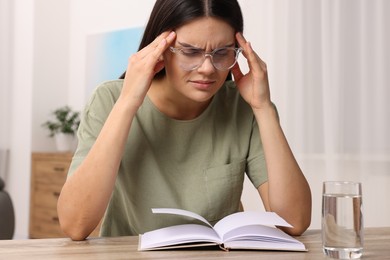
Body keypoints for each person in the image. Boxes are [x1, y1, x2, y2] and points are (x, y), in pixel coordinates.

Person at [57, 0, 312, 241]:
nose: (208, 68)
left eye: (223, 53)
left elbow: (294, 221)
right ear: (161, 48)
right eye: (190, 52)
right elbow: (75, 225)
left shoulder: (245, 106)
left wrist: (264, 107)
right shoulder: (110, 99)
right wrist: (128, 103)